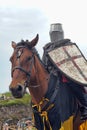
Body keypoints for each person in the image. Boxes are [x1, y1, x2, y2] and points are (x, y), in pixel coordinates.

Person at [42, 23, 87, 120]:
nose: (55, 35)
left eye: (57, 33)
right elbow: (44, 66)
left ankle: (84, 107)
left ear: (61, 33)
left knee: (75, 86)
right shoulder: (47, 49)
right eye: (53, 33)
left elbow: (77, 63)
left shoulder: (69, 46)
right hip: (53, 76)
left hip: (67, 76)